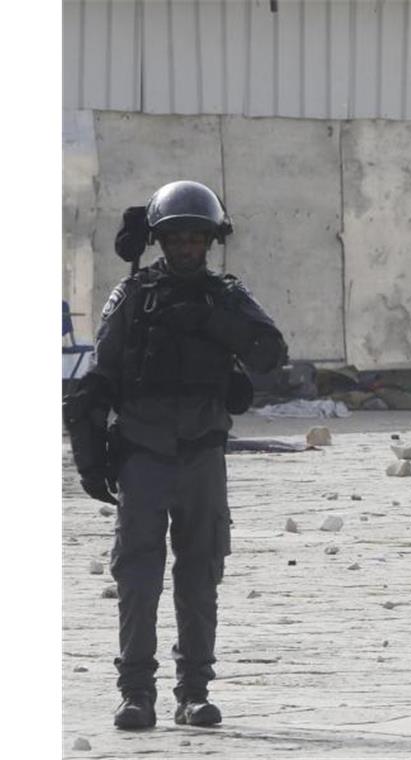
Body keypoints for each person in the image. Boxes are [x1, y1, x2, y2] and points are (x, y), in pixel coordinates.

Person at [63, 181, 288, 730]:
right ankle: (136, 691)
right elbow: (102, 375)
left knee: (200, 574)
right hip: (143, 454)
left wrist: (209, 320)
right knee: (139, 577)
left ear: (209, 241)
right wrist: (90, 455)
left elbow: (269, 353)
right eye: (176, 239)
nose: (187, 248)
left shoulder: (225, 295)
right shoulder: (134, 296)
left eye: (196, 238)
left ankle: (194, 691)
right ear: (159, 241)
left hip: (202, 456)